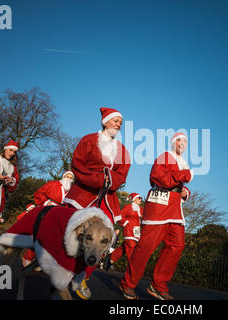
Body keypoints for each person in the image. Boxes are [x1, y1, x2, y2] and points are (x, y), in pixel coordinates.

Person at [63, 107, 131, 299]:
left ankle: (83, 276)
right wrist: (97, 179)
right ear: (105, 122)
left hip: (107, 199)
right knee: (72, 231)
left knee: (104, 237)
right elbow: (77, 164)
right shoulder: (88, 140)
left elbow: (122, 173)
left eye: (120, 122)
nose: (119, 124)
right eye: (115, 120)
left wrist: (110, 180)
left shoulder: (122, 150)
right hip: (82, 194)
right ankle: (64, 269)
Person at [119, 132, 193, 300]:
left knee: (177, 245)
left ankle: (158, 285)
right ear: (174, 142)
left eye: (186, 141)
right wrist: (185, 176)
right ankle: (128, 284)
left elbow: (179, 185)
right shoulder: (165, 156)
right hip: (159, 209)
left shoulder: (183, 162)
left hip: (175, 211)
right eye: (180, 140)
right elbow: (159, 178)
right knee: (145, 248)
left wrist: (185, 192)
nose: (183, 143)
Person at [105, 193, 143, 270]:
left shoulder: (141, 209)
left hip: (136, 232)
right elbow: (120, 215)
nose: (140, 199)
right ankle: (132, 269)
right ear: (134, 199)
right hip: (128, 230)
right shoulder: (128, 207)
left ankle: (111, 258)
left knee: (124, 248)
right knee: (131, 247)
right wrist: (126, 223)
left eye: (141, 198)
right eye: (139, 198)